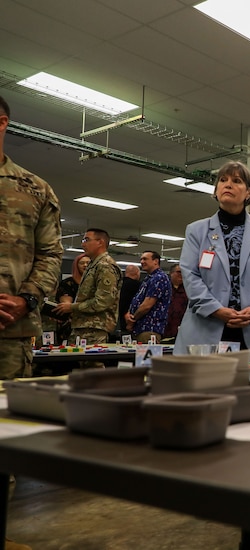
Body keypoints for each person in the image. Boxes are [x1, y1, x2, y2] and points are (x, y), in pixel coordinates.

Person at [0, 92, 58, 550]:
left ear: (2, 123)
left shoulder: (35, 188)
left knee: (3, 447)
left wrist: (28, 299)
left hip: (11, 333)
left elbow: (52, 254)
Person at [174, 161, 250, 360]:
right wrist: (216, 309)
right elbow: (190, 276)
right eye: (222, 180)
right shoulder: (196, 230)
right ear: (216, 191)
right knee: (208, 390)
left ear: (248, 193)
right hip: (206, 330)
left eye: (236, 181)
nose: (228, 184)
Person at [52, 228, 122, 360]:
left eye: (86, 240)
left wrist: (72, 307)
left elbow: (102, 302)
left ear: (100, 242)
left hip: (94, 327)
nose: (83, 244)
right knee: (82, 368)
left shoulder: (105, 266)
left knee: (92, 368)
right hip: (83, 326)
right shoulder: (93, 265)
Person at [124, 250, 172, 343]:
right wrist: (129, 313)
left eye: (145, 259)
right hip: (140, 329)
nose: (142, 262)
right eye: (141, 259)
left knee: (146, 357)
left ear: (156, 261)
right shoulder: (148, 279)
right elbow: (138, 299)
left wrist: (132, 320)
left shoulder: (159, 277)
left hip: (149, 329)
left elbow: (147, 305)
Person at [52, 253, 90, 345]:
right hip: (70, 326)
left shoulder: (95, 284)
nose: (85, 265)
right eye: (82, 263)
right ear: (76, 266)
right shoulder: (67, 283)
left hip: (89, 326)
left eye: (88, 263)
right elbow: (66, 306)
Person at [163, 265, 187, 341]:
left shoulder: (188, 290)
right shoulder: (164, 288)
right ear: (171, 273)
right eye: (179, 272)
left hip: (182, 329)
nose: (181, 274)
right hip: (165, 330)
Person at [118, 264, 141, 334]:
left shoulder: (118, 285)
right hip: (132, 320)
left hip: (118, 320)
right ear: (137, 274)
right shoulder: (138, 286)